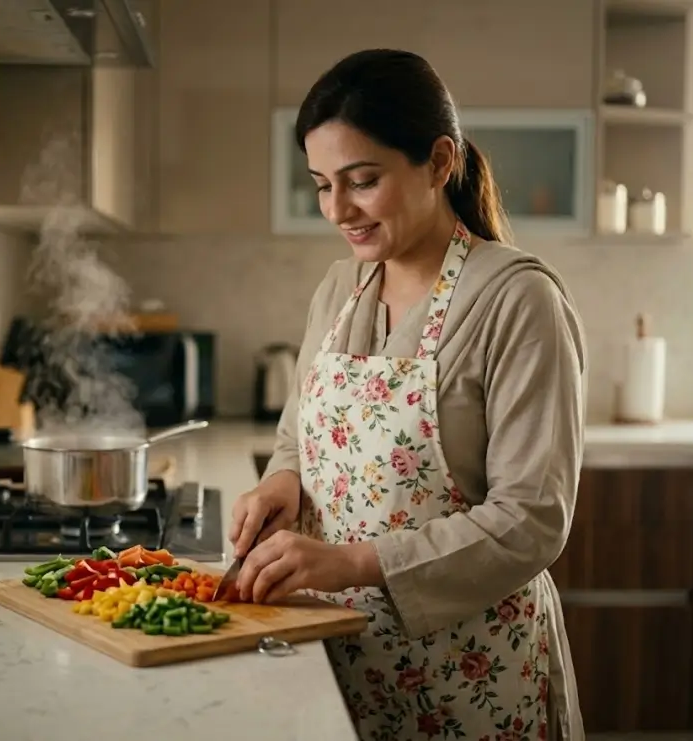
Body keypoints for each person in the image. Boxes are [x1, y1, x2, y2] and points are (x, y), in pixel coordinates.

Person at [227, 48, 587, 741]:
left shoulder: (517, 299)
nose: (338, 209)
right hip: (345, 656)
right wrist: (281, 479)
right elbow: (297, 436)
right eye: (321, 184)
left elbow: (532, 517)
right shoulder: (338, 290)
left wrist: (354, 562)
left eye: (362, 180)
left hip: (472, 672)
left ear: (440, 161)